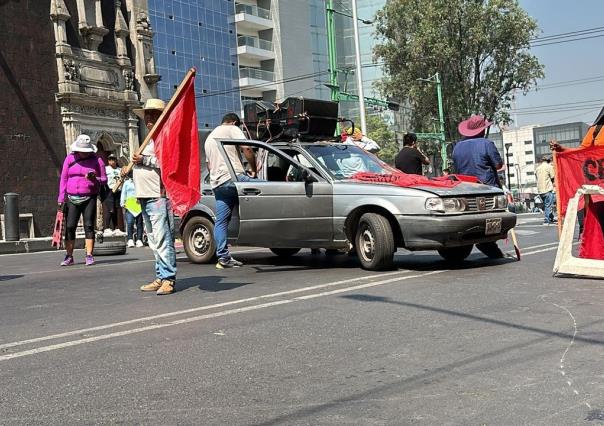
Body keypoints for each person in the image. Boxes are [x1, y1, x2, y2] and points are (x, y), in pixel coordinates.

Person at [132, 98, 177, 295]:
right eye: (147, 114)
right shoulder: (149, 137)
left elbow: (168, 162)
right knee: (153, 239)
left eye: (153, 114)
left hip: (158, 194)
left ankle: (168, 278)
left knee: (162, 238)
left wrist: (144, 159)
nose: (148, 117)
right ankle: (161, 275)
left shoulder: (164, 136)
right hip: (144, 194)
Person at [205, 113, 257, 268]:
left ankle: (223, 258)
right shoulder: (232, 128)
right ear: (234, 122)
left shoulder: (209, 138)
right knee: (271, 189)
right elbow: (247, 149)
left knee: (221, 222)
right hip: (234, 179)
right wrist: (254, 170)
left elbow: (209, 166)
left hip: (218, 184)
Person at [452, 115, 506, 258]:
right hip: (486, 186)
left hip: (464, 188)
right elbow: (498, 165)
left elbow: (457, 167)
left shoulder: (457, 146)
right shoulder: (486, 144)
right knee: (492, 218)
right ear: (482, 130)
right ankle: (488, 243)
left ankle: (482, 242)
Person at [57, 134, 107, 266]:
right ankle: (69, 255)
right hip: (72, 198)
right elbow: (63, 179)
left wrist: (93, 179)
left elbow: (104, 180)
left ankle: (89, 255)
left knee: (89, 225)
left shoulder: (98, 161)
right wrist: (61, 197)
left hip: (89, 197)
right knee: (70, 226)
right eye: (81, 151)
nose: (84, 154)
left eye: (86, 151)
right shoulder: (69, 159)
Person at [120, 170, 144, 248]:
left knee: (139, 223)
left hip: (139, 203)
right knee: (130, 222)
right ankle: (130, 239)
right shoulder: (127, 183)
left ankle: (139, 239)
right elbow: (123, 193)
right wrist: (122, 202)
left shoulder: (140, 182)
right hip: (129, 204)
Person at [103, 154, 123, 236]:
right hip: (109, 190)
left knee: (117, 208)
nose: (112, 161)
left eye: (113, 159)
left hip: (118, 190)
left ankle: (116, 227)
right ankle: (107, 227)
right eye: (110, 159)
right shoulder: (106, 169)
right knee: (109, 209)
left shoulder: (119, 169)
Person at [535, 155, 556, 224]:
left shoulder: (538, 168)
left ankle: (551, 217)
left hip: (540, 190)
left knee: (547, 205)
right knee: (548, 205)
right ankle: (547, 220)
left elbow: (537, 178)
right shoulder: (549, 167)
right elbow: (553, 177)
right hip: (548, 189)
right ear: (549, 161)